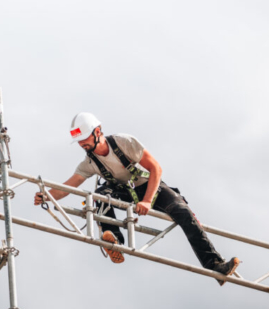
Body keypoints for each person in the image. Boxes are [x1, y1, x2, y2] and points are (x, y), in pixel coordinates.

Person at [33, 112, 240, 286]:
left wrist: (148, 200)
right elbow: (70, 185)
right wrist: (47, 196)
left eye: (84, 139)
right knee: (100, 196)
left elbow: (155, 168)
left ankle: (215, 266)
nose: (82, 144)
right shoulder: (89, 162)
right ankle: (114, 242)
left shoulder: (124, 142)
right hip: (122, 191)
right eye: (79, 141)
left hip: (149, 186)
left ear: (97, 132)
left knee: (183, 212)